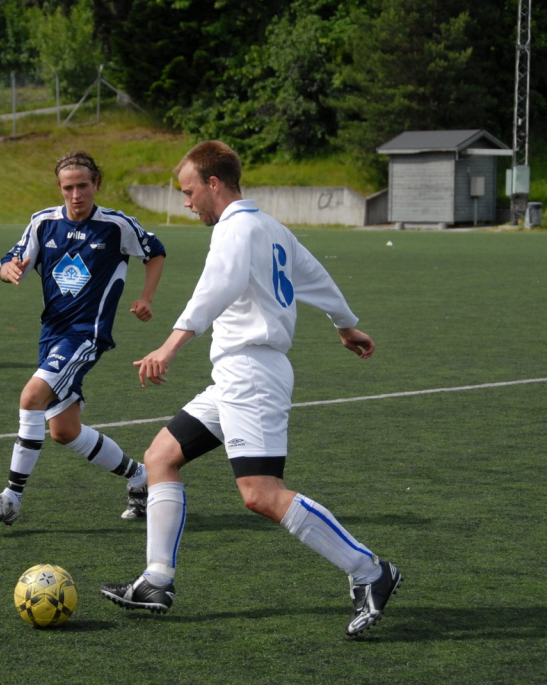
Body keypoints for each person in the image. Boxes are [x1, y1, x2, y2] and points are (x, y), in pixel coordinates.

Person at [100, 141, 401, 637]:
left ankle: (369, 570)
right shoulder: (271, 227)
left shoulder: (234, 229)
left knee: (261, 494)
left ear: (214, 183)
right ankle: (156, 580)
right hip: (236, 376)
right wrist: (345, 324)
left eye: (189, 191)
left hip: (252, 375)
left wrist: (168, 347)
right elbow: (315, 276)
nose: (186, 202)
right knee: (160, 458)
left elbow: (213, 289)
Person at [0, 151, 166, 524]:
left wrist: (146, 297)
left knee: (31, 396)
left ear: (96, 184)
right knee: (64, 431)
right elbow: (10, 260)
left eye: (82, 186)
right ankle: (141, 477)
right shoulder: (43, 222)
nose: (76, 194)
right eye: (68, 188)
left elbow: (154, 252)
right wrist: (7, 270)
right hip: (52, 334)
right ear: (59, 188)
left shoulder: (116, 225)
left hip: (86, 334)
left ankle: (10, 499)